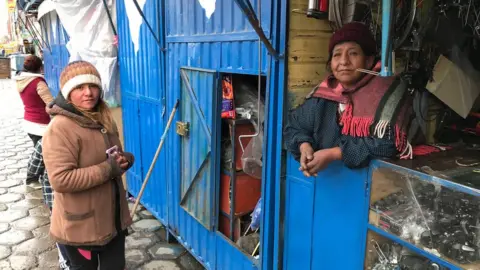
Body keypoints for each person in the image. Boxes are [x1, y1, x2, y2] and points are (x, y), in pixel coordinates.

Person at [284, 22, 413, 177]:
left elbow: (387, 144)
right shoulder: (326, 93)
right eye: (337, 54)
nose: (343, 61)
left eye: (353, 53)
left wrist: (334, 154)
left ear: (368, 61)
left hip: (374, 186)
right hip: (330, 185)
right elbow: (294, 125)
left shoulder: (386, 91)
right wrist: (303, 145)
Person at [42, 61, 134, 270]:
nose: (88, 93)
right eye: (79, 87)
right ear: (67, 93)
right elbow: (61, 180)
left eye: (93, 86)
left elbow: (113, 156)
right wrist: (108, 169)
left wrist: (125, 159)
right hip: (81, 228)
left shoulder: (103, 117)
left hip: (112, 220)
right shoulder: (60, 128)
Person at [27, 139, 71, 269]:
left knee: (60, 230)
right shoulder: (83, 136)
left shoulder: (45, 141)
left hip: (54, 198)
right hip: (81, 198)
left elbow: (33, 169)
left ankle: (66, 261)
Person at [15, 54, 53, 185]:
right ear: (40, 67)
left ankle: (36, 177)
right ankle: (33, 177)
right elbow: (50, 104)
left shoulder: (21, 81)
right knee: (44, 153)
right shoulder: (38, 83)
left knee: (40, 152)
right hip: (41, 125)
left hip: (29, 123)